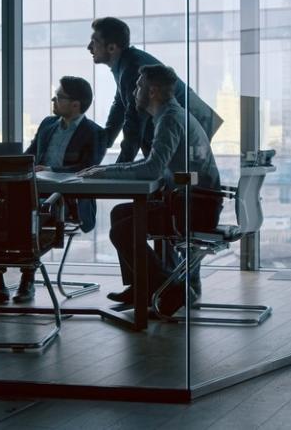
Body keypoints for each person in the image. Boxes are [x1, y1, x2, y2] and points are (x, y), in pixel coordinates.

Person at [79, 64, 222, 317]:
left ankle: (174, 288)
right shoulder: (169, 115)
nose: (134, 91)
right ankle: (140, 287)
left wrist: (106, 171)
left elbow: (153, 169)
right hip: (191, 201)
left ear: (153, 91)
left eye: (138, 86)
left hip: (194, 207)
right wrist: (107, 169)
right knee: (120, 214)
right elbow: (152, 164)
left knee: (123, 230)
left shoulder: (169, 119)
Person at [0, 76, 106, 305]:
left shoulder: (94, 132)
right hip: (33, 192)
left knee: (32, 217)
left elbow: (88, 168)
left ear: (76, 104)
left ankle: (27, 280)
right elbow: (29, 156)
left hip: (67, 200)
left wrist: (51, 169)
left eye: (59, 96)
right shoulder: (47, 124)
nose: (54, 99)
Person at [87, 17, 223, 163]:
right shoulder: (125, 64)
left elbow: (134, 122)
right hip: (193, 122)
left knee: (176, 175)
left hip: (194, 125)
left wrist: (117, 169)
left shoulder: (133, 68)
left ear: (112, 48)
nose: (89, 47)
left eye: (94, 42)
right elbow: (120, 104)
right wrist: (105, 140)